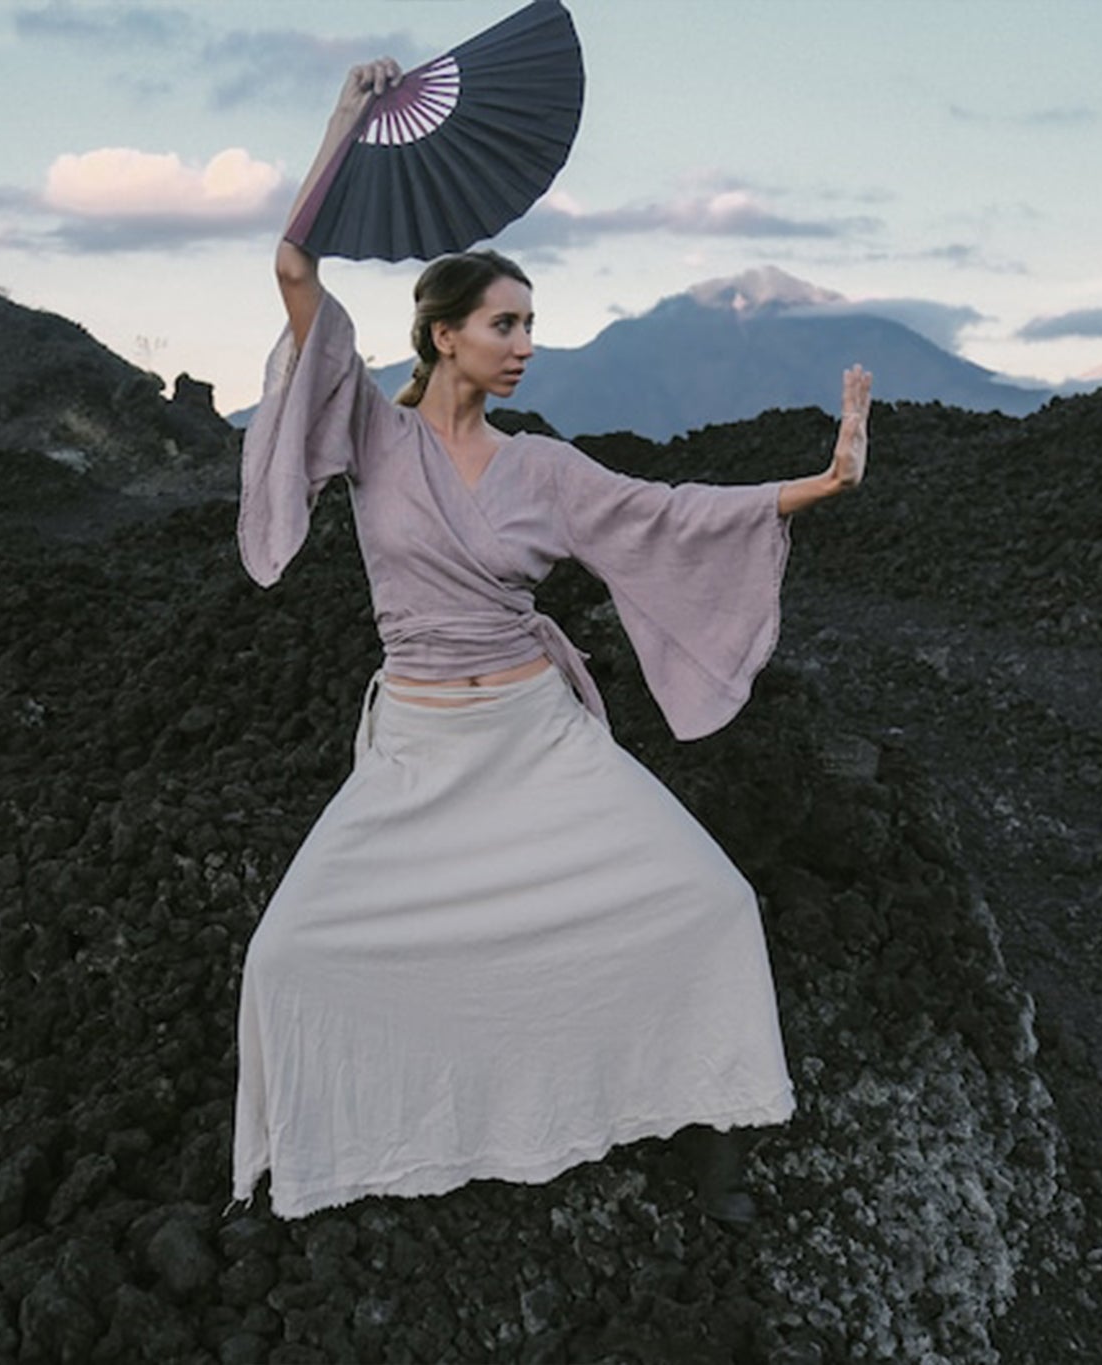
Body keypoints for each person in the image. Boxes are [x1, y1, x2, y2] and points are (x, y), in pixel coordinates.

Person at [232, 59, 871, 1223]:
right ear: (440, 336)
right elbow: (291, 268)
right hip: (422, 751)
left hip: (537, 738)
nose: (523, 344)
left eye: (530, 324)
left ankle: (713, 1131)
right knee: (289, 956)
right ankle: (363, 1129)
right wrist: (340, 120)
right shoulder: (371, 436)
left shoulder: (543, 467)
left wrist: (821, 483)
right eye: (504, 323)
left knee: (708, 903)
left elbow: (669, 512)